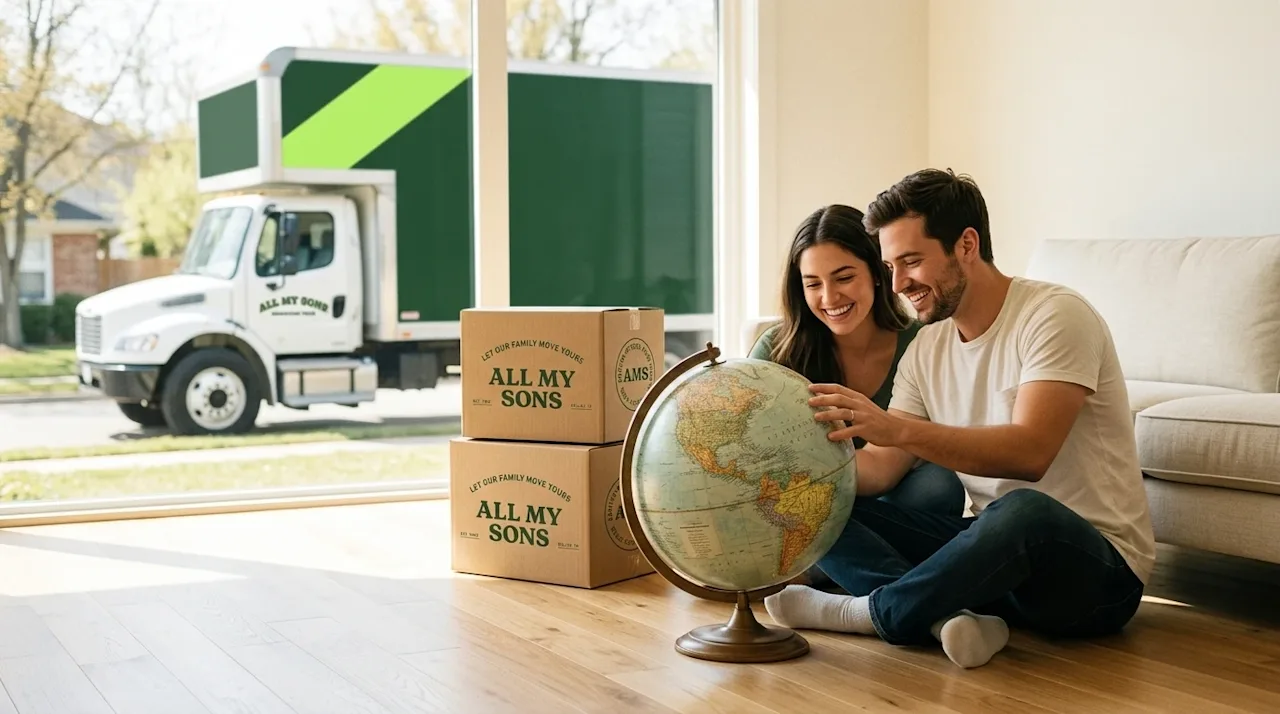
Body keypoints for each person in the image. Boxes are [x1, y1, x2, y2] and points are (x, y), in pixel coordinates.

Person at [763, 169, 1156, 670]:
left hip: (1094, 578)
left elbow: (1030, 454)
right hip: (996, 569)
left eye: (911, 261)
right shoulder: (927, 348)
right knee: (826, 502)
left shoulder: (1055, 315)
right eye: (890, 266)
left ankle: (869, 611)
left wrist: (894, 427)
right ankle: (945, 618)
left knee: (1022, 510)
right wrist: (787, 480)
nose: (899, 284)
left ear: (966, 245)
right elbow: (882, 468)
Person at [748, 204, 966, 519]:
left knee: (939, 485)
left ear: (878, 273)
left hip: (888, 498)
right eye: (813, 284)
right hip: (805, 499)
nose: (829, 297)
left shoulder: (924, 343)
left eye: (844, 277)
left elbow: (884, 471)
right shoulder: (777, 350)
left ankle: (846, 555)